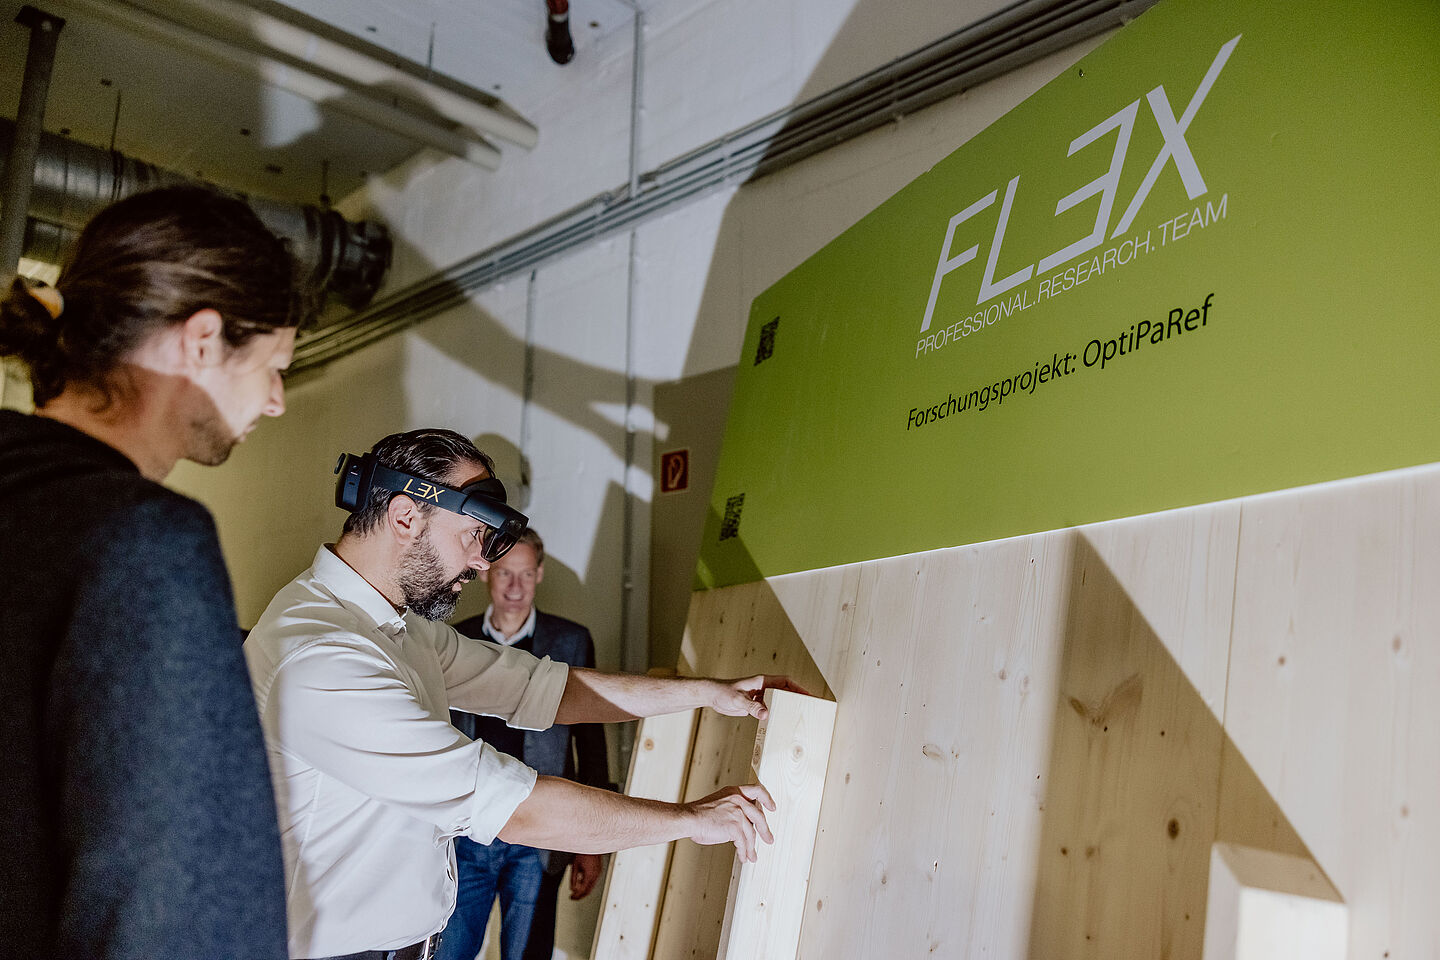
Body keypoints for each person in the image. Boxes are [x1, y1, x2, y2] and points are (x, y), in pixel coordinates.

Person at [244, 428, 799, 960]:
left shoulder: (397, 627)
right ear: (406, 516)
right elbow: (514, 806)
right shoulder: (324, 656)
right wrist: (691, 820)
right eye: (472, 537)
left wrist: (708, 693)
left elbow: (546, 689)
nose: (483, 563)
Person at [0, 186, 312, 958]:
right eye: (274, 364)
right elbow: (180, 911)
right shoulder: (145, 542)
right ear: (202, 341)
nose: (275, 402)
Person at [439, 527, 614, 960]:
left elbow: (590, 743)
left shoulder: (571, 641)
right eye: (504, 574)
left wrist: (590, 843)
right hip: (470, 830)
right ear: (485, 574)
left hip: (540, 832)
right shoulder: (450, 638)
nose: (515, 587)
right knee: (450, 950)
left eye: (525, 574)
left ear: (539, 574)